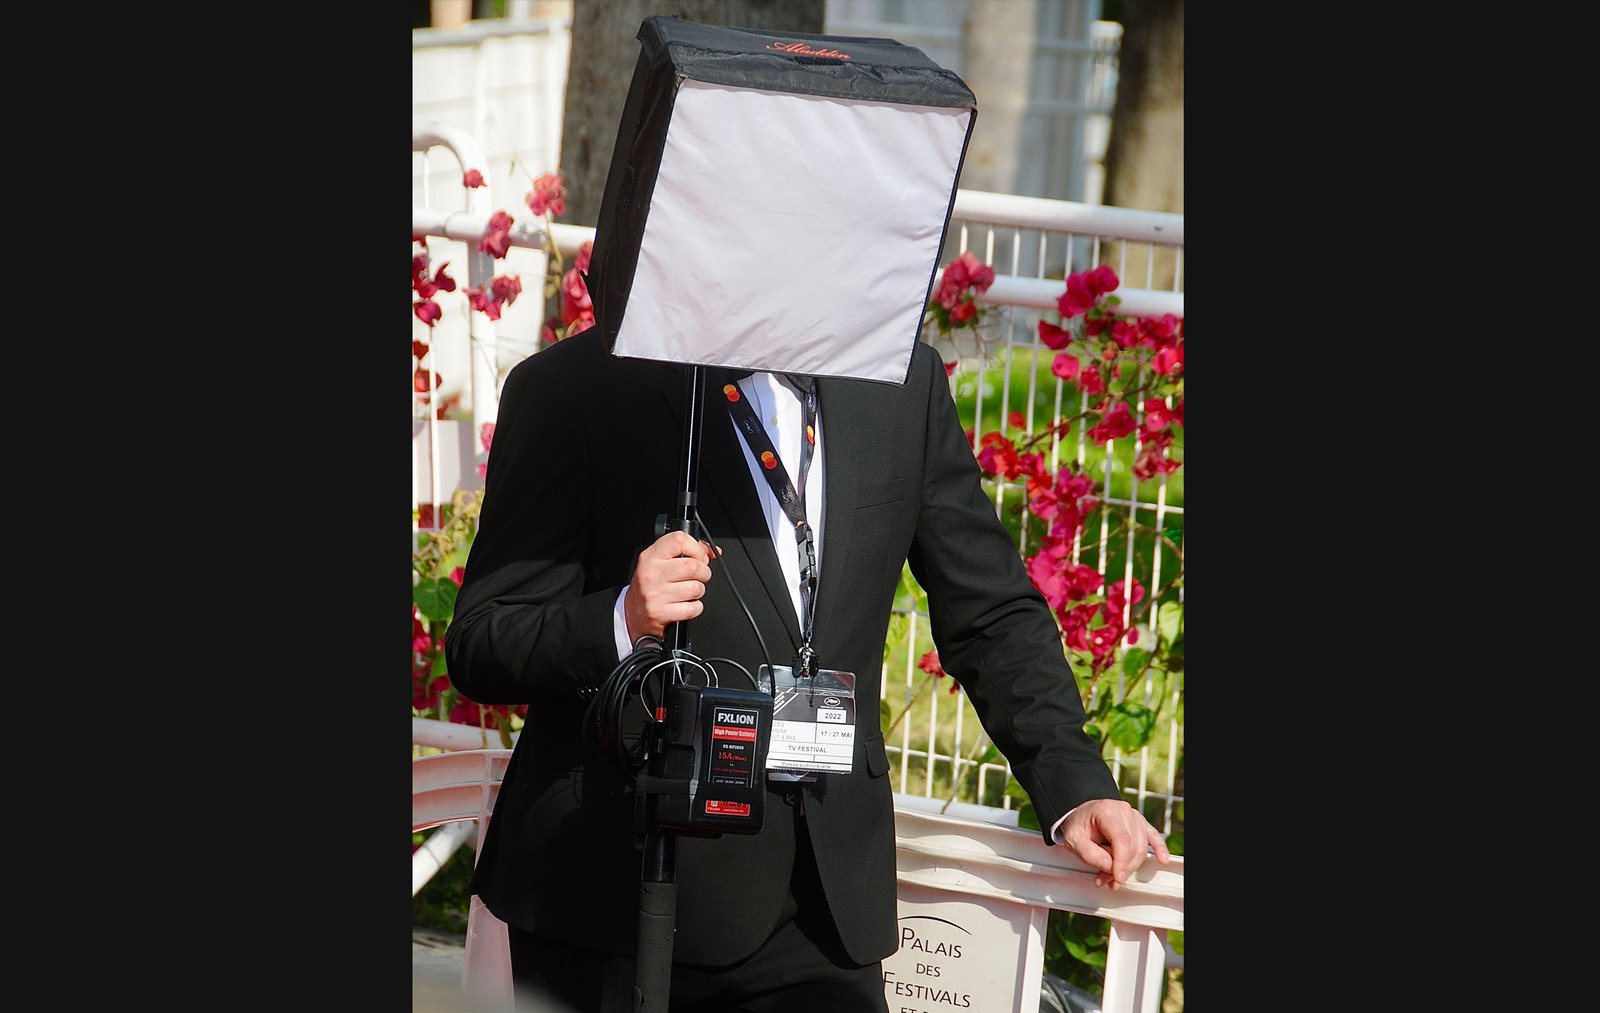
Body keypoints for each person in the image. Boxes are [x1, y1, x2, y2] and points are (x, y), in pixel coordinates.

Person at [444, 319, 1172, 1011]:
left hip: (826, 900)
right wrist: (622, 617)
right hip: (617, 896)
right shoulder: (576, 383)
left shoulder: (902, 377)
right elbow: (483, 640)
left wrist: (1076, 786)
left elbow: (989, 610)